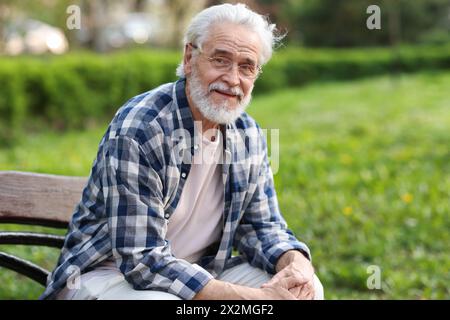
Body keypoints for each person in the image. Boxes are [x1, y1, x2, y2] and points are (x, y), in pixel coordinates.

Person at [40, 3, 324, 300]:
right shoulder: (141, 128)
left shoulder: (248, 134)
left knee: (305, 290)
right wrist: (252, 299)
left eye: (246, 66)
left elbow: (262, 227)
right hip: (107, 276)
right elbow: (142, 261)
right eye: (220, 60)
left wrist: (296, 262)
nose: (232, 78)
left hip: (201, 270)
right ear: (189, 57)